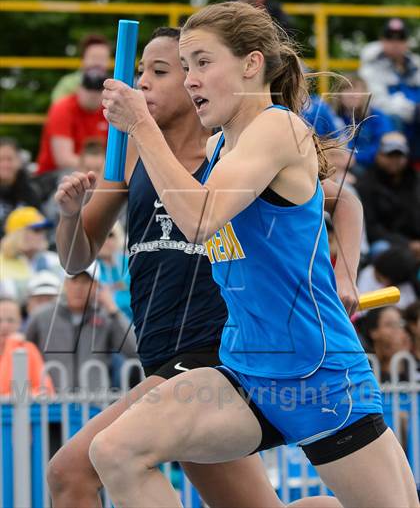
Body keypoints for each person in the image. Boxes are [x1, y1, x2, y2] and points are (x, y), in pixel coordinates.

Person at [93, 2, 418, 507]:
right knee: (113, 451)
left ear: (251, 64)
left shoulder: (279, 128)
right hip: (244, 371)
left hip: (318, 380)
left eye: (202, 62)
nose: (191, 78)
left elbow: (200, 220)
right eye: (185, 65)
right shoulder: (223, 143)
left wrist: (141, 126)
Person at [48, 26, 353, 507]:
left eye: (161, 71)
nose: (142, 82)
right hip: (162, 355)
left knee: (70, 472)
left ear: (195, 81)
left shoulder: (231, 155)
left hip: (211, 353)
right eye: (140, 71)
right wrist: (68, 216)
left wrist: (345, 274)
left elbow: (344, 201)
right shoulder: (132, 157)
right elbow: (75, 256)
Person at [25, 262, 137, 392]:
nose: (79, 287)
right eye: (74, 281)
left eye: (85, 282)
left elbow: (135, 351)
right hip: (51, 402)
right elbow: (24, 351)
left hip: (95, 403)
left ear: (96, 286)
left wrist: (113, 310)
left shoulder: (107, 317)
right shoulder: (42, 316)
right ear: (66, 284)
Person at [359, 18, 420, 165]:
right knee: (391, 119)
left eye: (400, 39)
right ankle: (397, 168)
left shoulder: (416, 64)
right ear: (382, 40)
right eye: (390, 38)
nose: (395, 43)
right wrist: (415, 110)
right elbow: (379, 102)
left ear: (407, 42)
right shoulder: (370, 68)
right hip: (393, 122)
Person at [355, 132, 420, 260]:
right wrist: (408, 244)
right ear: (379, 155)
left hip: (416, 241)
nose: (395, 160)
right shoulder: (365, 184)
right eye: (390, 155)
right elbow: (372, 228)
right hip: (386, 243)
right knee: (381, 248)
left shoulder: (416, 180)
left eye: (399, 155)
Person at [36, 67, 108, 175]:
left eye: (97, 89)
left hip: (93, 170)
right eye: (88, 88)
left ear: (104, 92)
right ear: (79, 88)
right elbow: (64, 160)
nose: (93, 94)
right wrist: (97, 167)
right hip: (54, 174)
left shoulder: (110, 110)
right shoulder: (62, 108)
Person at [0, 206, 60, 302]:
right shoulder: (2, 263)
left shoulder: (54, 260)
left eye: (44, 229)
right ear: (18, 234)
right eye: (37, 230)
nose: (42, 234)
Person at [333, 75, 394, 169]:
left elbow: (382, 146)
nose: (352, 95)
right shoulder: (333, 117)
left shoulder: (376, 117)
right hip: (341, 166)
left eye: (357, 90)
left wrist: (355, 158)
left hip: (372, 166)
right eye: (347, 89)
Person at [0, 297, 54, 395]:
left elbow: (46, 390)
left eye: (10, 320)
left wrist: (20, 397)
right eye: (0, 320)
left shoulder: (28, 349)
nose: (4, 326)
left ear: (20, 322)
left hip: (19, 409)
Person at [51, 34, 111, 103]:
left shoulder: (113, 86)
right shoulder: (67, 84)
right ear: (83, 59)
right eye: (93, 57)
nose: (97, 63)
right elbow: (57, 107)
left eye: (102, 58)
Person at [0, 137, 41, 238]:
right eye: (1, 159)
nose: (5, 164)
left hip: (23, 246)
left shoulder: (30, 191)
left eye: (9, 159)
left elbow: (38, 225)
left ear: (19, 161)